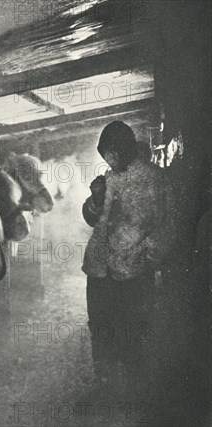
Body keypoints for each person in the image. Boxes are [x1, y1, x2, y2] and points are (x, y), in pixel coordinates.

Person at [82, 121, 167, 396]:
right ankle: (105, 382)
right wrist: (94, 199)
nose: (108, 159)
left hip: (132, 273)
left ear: (126, 148)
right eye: (105, 153)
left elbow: (167, 225)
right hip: (99, 269)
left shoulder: (153, 178)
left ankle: (136, 388)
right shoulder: (108, 178)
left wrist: (150, 257)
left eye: (112, 152)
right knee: (101, 325)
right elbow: (92, 218)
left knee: (133, 328)